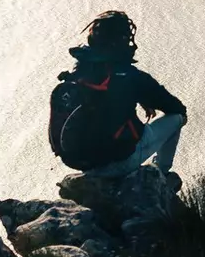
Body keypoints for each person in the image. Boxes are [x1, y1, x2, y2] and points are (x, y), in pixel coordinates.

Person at [48, 10, 186, 177]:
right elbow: (175, 106)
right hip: (120, 162)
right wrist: (143, 96)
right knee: (178, 117)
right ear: (121, 40)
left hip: (80, 162)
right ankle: (161, 174)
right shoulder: (132, 76)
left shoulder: (79, 70)